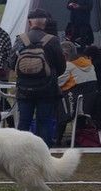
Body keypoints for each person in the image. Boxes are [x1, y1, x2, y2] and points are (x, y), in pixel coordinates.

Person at [9, 8, 66, 148]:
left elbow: (11, 63)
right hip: (46, 90)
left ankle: (20, 151)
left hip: (24, 89)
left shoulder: (20, 39)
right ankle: (44, 153)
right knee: (44, 122)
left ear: (29, 22)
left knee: (24, 122)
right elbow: (61, 66)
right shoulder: (52, 41)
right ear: (45, 23)